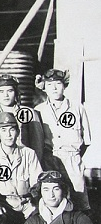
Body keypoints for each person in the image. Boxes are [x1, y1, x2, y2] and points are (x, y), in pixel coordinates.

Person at [33, 69, 92, 211]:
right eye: (49, 84)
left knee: (79, 199)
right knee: (52, 199)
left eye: (58, 83)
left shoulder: (77, 108)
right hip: (49, 159)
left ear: (64, 85)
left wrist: (73, 156)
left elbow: (87, 140)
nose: (53, 88)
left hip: (72, 158)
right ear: (44, 88)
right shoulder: (39, 110)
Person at [0, 112, 43, 224]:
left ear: (17, 132)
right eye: (4, 130)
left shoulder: (29, 153)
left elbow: (37, 183)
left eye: (12, 129)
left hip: (27, 204)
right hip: (4, 203)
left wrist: (37, 204)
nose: (8, 135)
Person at [0, 74, 43, 158]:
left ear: (16, 93)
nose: (6, 95)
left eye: (10, 91)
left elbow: (38, 144)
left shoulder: (28, 113)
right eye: (1, 91)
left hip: (24, 160)